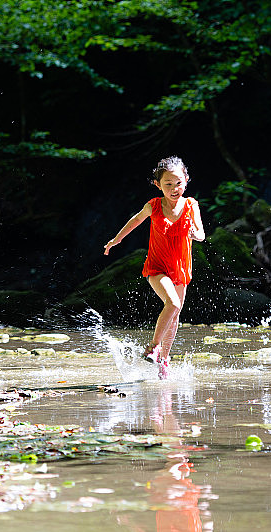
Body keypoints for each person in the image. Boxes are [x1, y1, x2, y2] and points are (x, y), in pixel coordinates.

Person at [104, 156, 205, 378]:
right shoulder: (154, 206)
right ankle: (154, 346)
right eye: (168, 184)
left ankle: (164, 362)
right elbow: (135, 220)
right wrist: (116, 240)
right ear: (158, 185)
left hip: (181, 269)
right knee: (173, 303)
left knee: (175, 315)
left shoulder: (191, 205)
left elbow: (201, 233)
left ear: (186, 181)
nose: (174, 188)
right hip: (157, 267)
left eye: (178, 183)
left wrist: (194, 234)